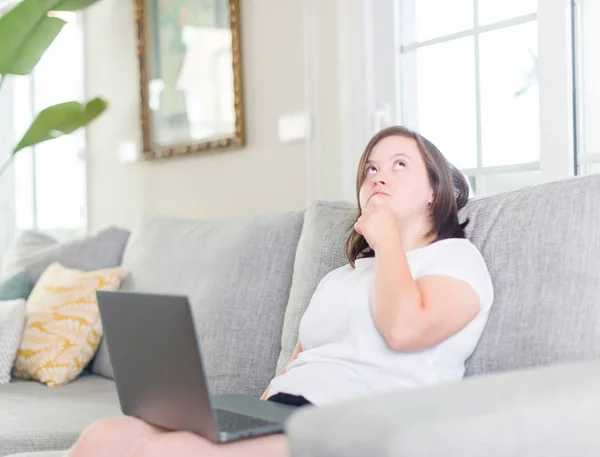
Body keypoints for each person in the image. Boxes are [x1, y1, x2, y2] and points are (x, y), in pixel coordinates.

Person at [66, 126, 494, 457]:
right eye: (371, 169)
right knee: (103, 437)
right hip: (281, 415)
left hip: (355, 424)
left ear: (434, 189)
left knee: (165, 452)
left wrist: (386, 241)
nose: (379, 177)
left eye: (400, 165)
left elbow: (403, 329)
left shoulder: (455, 259)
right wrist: (244, 418)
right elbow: (296, 364)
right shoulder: (342, 277)